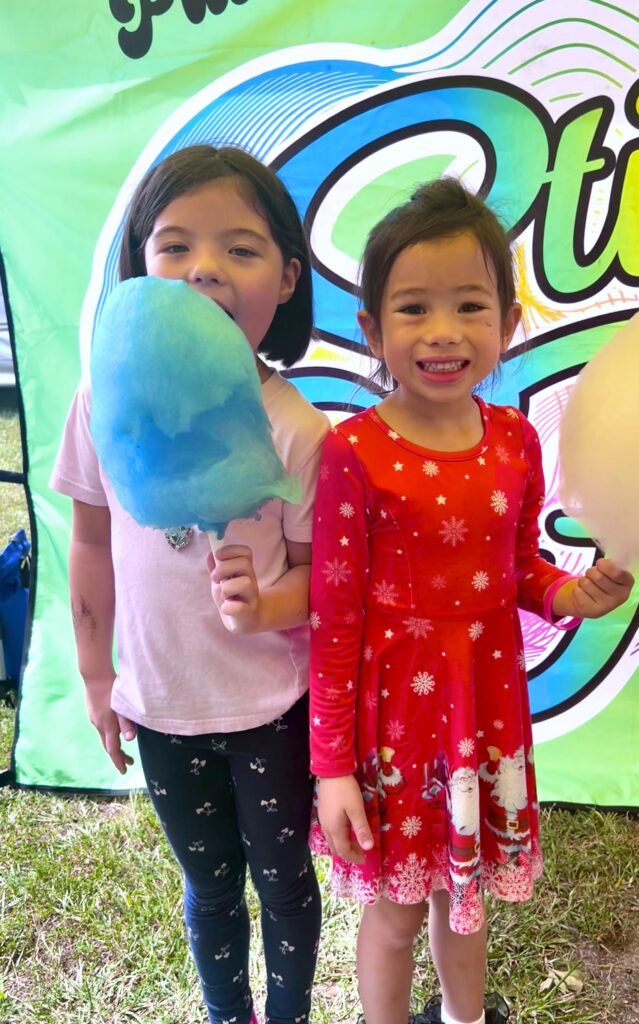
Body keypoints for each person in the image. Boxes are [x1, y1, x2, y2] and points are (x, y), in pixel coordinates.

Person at [308, 178, 634, 1024]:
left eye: (469, 305)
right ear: (372, 329)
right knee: (396, 909)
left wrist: (573, 593)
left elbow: (519, 568)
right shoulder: (352, 453)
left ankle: (464, 1017)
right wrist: (333, 767)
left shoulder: (517, 439)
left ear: (508, 324)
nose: (444, 331)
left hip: (483, 712)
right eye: (413, 308)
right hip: (394, 727)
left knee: (469, 895)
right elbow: (334, 619)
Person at [50, 145, 330, 1024]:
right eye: (174, 247)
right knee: (209, 887)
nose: (203, 268)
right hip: (162, 706)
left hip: (271, 707)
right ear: (140, 264)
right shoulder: (104, 401)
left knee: (283, 882)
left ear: (285, 279)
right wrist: (98, 677)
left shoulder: (296, 431)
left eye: (239, 250)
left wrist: (269, 603)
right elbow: (90, 538)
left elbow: (328, 580)